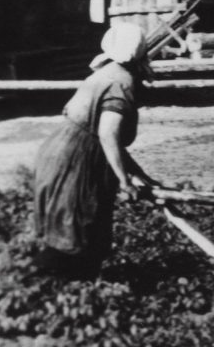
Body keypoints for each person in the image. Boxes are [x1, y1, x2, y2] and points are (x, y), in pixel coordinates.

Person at [33, 23, 153, 280]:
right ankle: (60, 290)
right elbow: (108, 134)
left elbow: (109, 138)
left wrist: (139, 174)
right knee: (77, 226)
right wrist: (124, 181)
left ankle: (61, 289)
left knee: (69, 225)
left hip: (63, 148)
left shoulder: (106, 72)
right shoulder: (121, 81)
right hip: (77, 158)